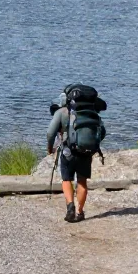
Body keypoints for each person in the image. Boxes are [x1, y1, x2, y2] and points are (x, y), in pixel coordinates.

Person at [47, 84, 106, 223]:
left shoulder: (62, 112)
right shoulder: (93, 113)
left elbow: (50, 133)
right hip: (86, 152)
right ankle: (80, 212)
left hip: (68, 152)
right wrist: (92, 145)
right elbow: (102, 132)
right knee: (82, 181)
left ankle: (70, 206)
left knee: (67, 179)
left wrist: (50, 148)